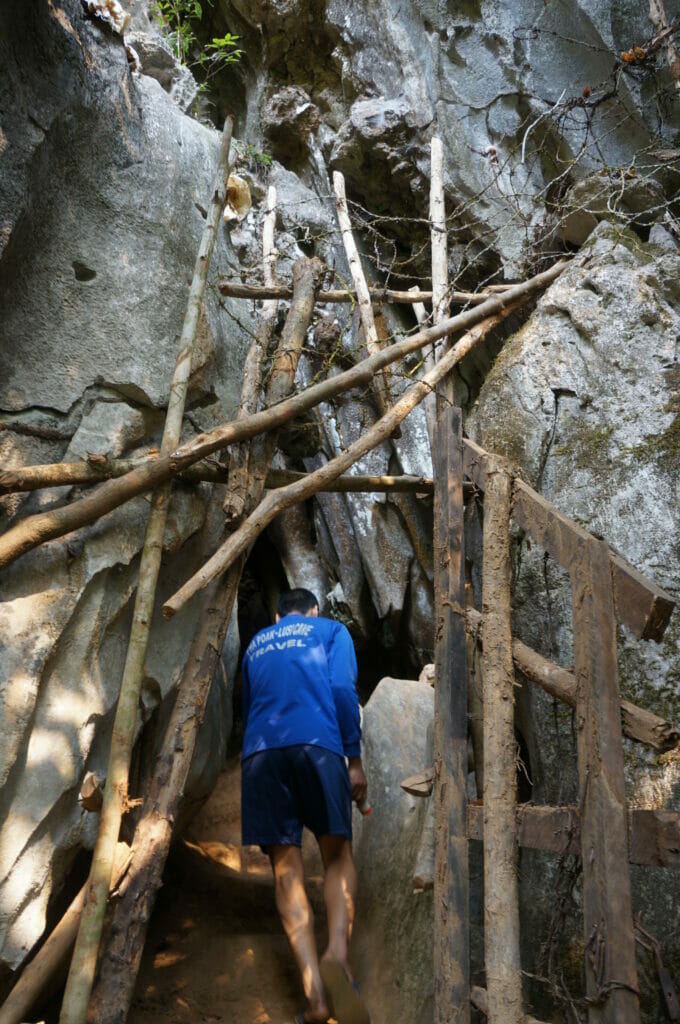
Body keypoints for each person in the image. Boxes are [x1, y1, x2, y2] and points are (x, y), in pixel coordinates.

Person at [240, 587, 370, 1024]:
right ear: (313, 611)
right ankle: (338, 954)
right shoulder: (331, 630)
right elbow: (340, 689)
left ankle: (314, 997)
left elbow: (249, 705)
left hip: (260, 754)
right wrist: (353, 760)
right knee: (336, 853)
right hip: (318, 744)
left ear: (278, 619)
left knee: (285, 867)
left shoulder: (256, 644)